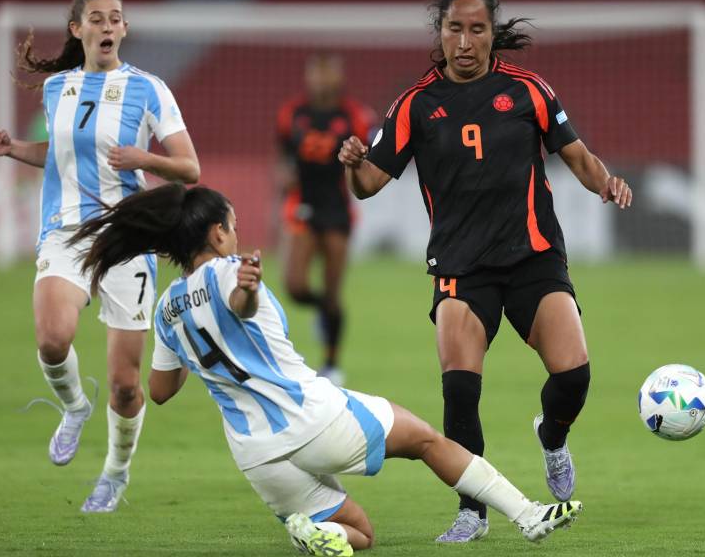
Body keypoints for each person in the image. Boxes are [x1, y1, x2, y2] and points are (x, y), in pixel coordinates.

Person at [72, 182, 582, 555]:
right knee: (427, 441)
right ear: (217, 232)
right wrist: (247, 290)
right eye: (232, 224)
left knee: (360, 533)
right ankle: (527, 515)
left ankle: (316, 533)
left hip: (257, 456)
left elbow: (160, 390)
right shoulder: (232, 273)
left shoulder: (167, 309)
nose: (236, 233)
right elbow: (239, 303)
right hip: (315, 419)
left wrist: (196, 348)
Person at [338, 0, 631, 543]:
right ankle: (472, 511)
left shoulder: (528, 90)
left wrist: (605, 183)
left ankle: (552, 435)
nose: (465, 41)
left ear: (493, 33)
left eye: (477, 29)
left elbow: (577, 155)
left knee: (573, 375)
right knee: (460, 390)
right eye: (455, 28)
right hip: (461, 267)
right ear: (440, 32)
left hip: (533, 257)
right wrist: (353, 164)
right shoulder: (416, 104)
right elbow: (368, 184)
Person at [0, 0, 200, 512]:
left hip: (128, 238)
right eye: (96, 18)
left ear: (124, 29)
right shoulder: (58, 87)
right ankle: (74, 407)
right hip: (66, 231)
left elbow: (189, 168)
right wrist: (14, 149)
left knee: (124, 386)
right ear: (77, 30)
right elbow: (61, 154)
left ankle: (115, 475)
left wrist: (145, 160)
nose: (107, 26)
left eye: (115, 18)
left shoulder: (149, 89)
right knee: (53, 339)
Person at [276, 53, 374, 385]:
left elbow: (367, 157)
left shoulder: (354, 115)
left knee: (333, 290)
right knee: (295, 286)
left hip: (337, 208)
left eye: (326, 73)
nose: (320, 80)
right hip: (302, 205)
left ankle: (331, 364)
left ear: (338, 77)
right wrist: (284, 175)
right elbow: (284, 156)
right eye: (315, 74)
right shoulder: (292, 113)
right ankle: (318, 308)